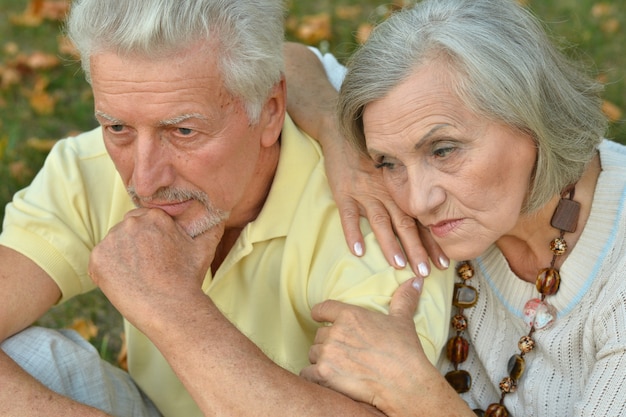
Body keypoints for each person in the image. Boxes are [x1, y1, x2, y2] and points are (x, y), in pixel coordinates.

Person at [0, 1, 454, 416]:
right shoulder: (88, 169)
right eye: (117, 127)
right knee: (29, 356)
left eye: (182, 132)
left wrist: (171, 305)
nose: (143, 179)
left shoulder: (374, 216)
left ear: (271, 111)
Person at [293, 0, 626, 416]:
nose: (418, 202)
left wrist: (414, 392)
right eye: (388, 162)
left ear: (533, 117)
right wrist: (335, 134)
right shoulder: (410, 107)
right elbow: (285, 60)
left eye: (444, 150)